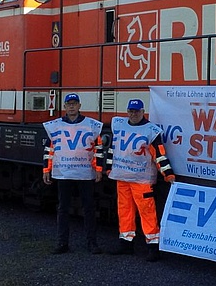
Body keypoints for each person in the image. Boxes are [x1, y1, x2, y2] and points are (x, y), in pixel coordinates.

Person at [105, 98, 175, 262]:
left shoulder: (151, 131)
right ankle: (126, 244)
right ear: (127, 111)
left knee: (148, 213)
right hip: (122, 178)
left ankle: (153, 248)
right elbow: (113, 150)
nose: (133, 114)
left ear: (143, 112)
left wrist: (168, 173)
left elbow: (159, 154)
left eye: (136, 111)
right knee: (124, 212)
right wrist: (108, 168)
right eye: (131, 111)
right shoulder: (120, 125)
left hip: (141, 180)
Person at [42, 93, 104, 254]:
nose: (71, 106)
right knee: (63, 208)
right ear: (64, 106)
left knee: (89, 208)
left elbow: (98, 150)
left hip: (85, 173)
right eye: (69, 104)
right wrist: (46, 169)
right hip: (63, 172)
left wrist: (98, 169)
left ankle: (92, 243)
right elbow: (49, 150)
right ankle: (62, 243)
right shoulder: (54, 126)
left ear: (79, 106)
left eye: (74, 103)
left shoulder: (92, 125)